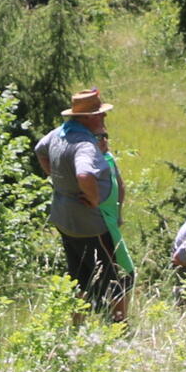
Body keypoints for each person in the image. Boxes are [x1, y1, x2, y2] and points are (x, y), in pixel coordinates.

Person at [34, 89, 131, 319]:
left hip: (65, 218)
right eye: (100, 114)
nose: (104, 118)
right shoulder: (84, 144)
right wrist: (95, 198)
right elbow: (85, 175)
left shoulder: (59, 133)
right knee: (117, 276)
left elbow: (40, 149)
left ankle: (78, 325)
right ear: (88, 117)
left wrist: (57, 181)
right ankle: (120, 328)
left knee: (80, 275)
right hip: (91, 223)